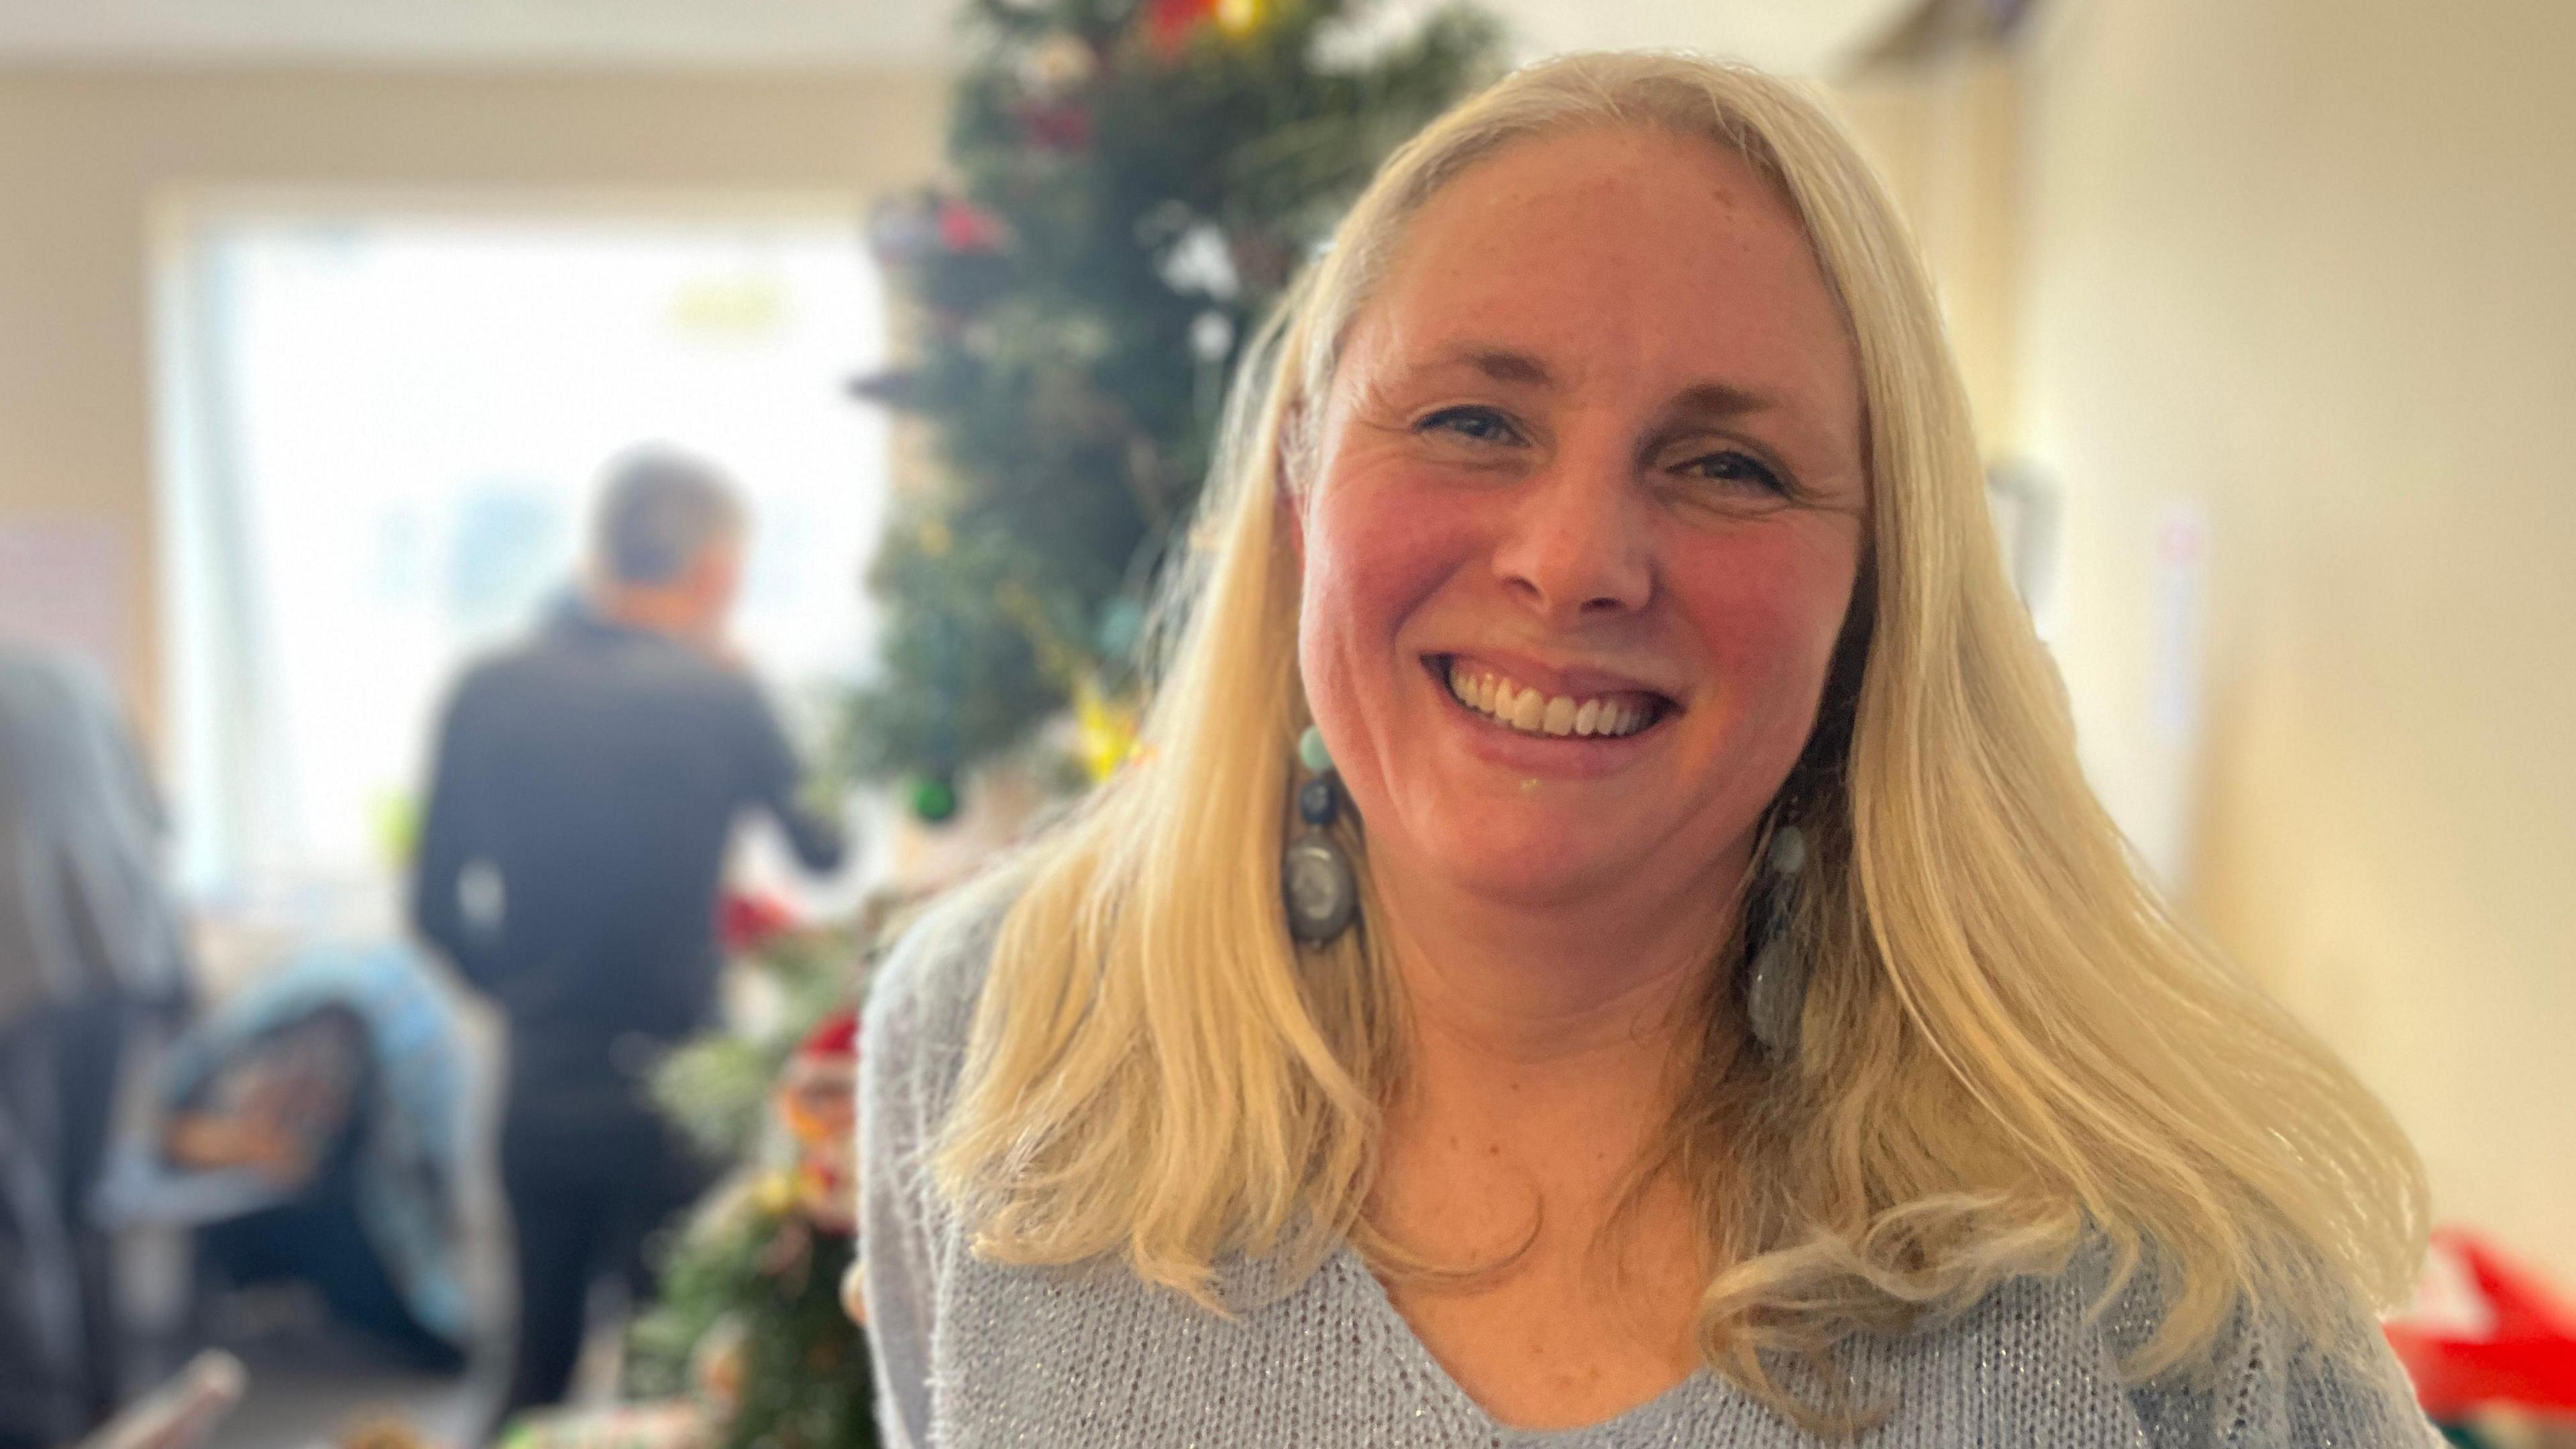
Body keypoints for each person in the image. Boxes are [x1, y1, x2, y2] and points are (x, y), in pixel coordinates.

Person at [856, 53, 2436, 1446]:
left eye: (1729, 462)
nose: (1572, 558)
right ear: (1298, 481)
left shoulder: (2158, 1272)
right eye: (1474, 420)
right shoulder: (997, 1044)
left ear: (1873, 591)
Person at [411, 449, 847, 1438]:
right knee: (665, 1391)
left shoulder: (490, 687)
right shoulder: (718, 696)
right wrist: (747, 682)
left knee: (533, 1373)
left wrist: (526, 995)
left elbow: (436, 909)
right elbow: (825, 850)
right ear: (715, 576)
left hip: (542, 1079)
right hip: (678, 1089)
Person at [0, 645, 189, 1447]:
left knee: (20, 1219)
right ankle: (107, 1407)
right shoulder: (68, 673)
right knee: (87, 1196)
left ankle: (42, 1422)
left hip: (21, 969)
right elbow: (158, 816)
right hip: (120, 957)